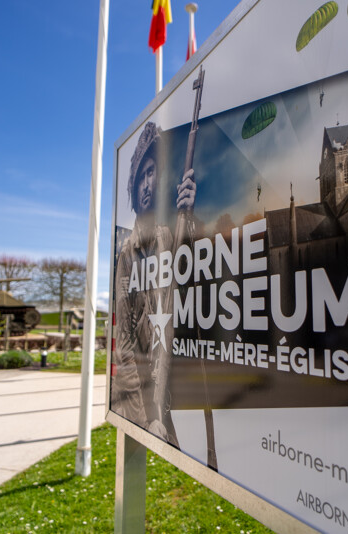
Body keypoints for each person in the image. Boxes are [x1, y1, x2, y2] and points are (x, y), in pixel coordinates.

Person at [111, 122, 196, 447]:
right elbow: (126, 346)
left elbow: (193, 277)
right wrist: (148, 419)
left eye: (154, 173)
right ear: (134, 187)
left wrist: (189, 212)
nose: (149, 182)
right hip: (142, 405)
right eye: (143, 174)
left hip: (172, 394)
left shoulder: (167, 237)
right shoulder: (126, 255)